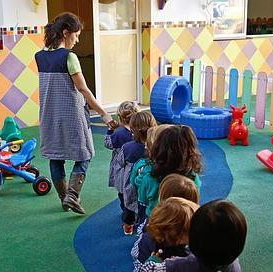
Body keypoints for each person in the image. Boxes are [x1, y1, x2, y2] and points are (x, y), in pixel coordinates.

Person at [35, 12, 117, 214]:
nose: (77, 39)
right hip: (71, 114)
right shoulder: (69, 57)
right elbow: (83, 89)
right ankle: (72, 195)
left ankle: (64, 198)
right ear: (66, 33)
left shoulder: (40, 56)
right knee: (85, 153)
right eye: (76, 35)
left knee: (56, 156)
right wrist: (104, 114)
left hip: (49, 114)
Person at [132, 125, 203, 218]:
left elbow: (142, 199)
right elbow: (194, 200)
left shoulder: (149, 176)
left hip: (157, 219)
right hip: (184, 219)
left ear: (157, 148)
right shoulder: (192, 177)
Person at [105, 101, 139, 233]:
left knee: (122, 192)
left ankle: (127, 215)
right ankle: (135, 213)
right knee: (135, 191)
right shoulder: (139, 132)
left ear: (120, 117)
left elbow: (108, 144)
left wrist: (110, 130)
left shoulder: (118, 134)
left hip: (121, 168)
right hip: (136, 167)